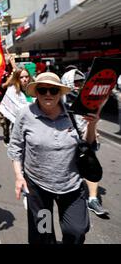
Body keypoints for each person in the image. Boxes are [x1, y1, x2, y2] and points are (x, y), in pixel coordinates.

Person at [7, 72, 100, 244]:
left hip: (71, 185)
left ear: (60, 93)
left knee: (77, 231)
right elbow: (16, 147)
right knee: (43, 234)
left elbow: (88, 144)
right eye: (43, 90)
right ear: (37, 93)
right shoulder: (25, 114)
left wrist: (92, 124)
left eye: (53, 90)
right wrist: (19, 176)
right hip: (38, 186)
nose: (48, 94)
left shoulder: (73, 113)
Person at [62, 69, 109, 217]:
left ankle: (93, 199)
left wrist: (93, 127)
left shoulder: (88, 98)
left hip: (86, 137)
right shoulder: (60, 99)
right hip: (66, 141)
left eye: (81, 82)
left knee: (90, 163)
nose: (78, 85)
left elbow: (92, 116)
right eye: (75, 82)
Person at [0, 68, 34, 145]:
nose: (25, 79)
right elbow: (17, 109)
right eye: (21, 77)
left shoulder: (33, 88)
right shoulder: (12, 90)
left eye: (26, 77)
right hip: (18, 124)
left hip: (33, 123)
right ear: (17, 78)